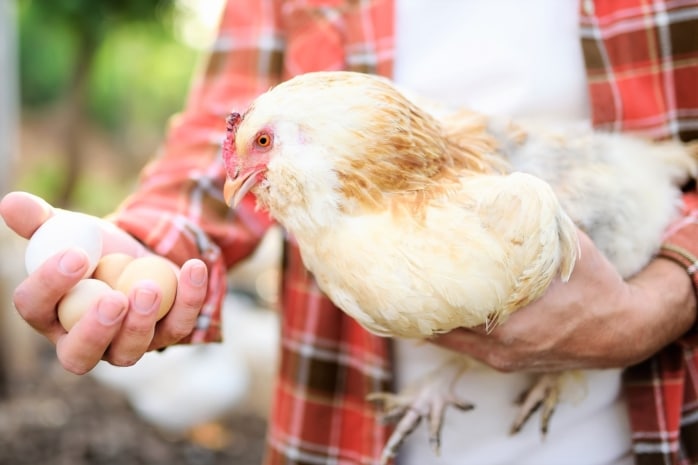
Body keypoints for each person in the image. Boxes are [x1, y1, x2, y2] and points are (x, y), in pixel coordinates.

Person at [2, 0, 698, 464]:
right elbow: (215, 151)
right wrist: (148, 248)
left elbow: (655, 187)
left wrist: (663, 299)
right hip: (351, 432)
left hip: (643, 429)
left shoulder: (520, 201)